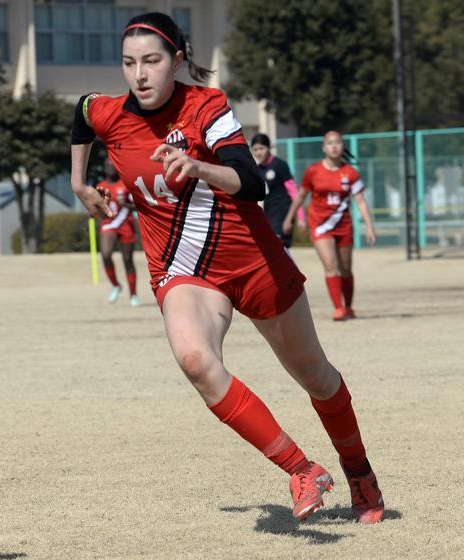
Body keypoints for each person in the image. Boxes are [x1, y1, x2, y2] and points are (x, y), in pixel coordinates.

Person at [70, 12, 384, 524]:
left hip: (253, 260)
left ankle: (360, 474)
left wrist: (198, 167)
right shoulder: (109, 112)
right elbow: (81, 113)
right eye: (129, 63)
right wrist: (80, 183)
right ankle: (302, 469)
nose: (140, 74)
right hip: (182, 267)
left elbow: (252, 180)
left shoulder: (206, 105)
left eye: (151, 61)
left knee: (316, 377)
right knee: (195, 360)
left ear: (177, 60)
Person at [283, 131, 377, 321]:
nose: (334, 146)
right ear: (324, 147)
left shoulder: (350, 173)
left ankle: (349, 307)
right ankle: (338, 308)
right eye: (330, 143)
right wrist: (290, 218)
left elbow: (360, 201)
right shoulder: (313, 171)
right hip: (320, 225)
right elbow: (301, 196)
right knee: (330, 265)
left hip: (344, 225)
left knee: (346, 269)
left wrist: (369, 226)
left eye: (338, 143)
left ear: (343, 146)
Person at [97, 157, 140, 306]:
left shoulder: (126, 184)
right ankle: (115, 284)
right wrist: (96, 210)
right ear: (104, 168)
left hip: (125, 223)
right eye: (107, 165)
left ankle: (133, 294)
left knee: (127, 260)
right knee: (106, 254)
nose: (110, 168)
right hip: (109, 224)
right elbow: (98, 211)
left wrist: (126, 205)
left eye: (112, 165)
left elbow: (139, 205)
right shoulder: (101, 187)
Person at [250, 133, 304, 248]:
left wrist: (300, 217)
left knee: (279, 248)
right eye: (255, 149)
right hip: (268, 214)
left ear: (269, 148)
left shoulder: (279, 165)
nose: (259, 152)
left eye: (261, 148)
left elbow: (294, 192)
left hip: (283, 214)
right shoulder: (258, 169)